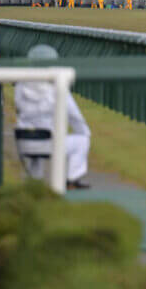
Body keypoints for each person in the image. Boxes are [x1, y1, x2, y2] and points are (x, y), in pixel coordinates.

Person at [14, 44, 89, 188]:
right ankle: (72, 179)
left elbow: (19, 107)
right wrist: (84, 132)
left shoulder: (20, 86)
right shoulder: (58, 86)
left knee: (35, 152)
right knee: (82, 139)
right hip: (49, 142)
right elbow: (75, 116)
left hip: (23, 142)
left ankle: (33, 184)